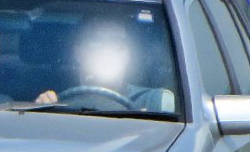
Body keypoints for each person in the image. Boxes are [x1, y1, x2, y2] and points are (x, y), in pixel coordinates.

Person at [35, 20, 175, 113]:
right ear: (78, 52)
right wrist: (42, 109)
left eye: (116, 45)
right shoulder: (57, 102)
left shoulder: (152, 101)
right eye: (94, 43)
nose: (106, 52)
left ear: (128, 55)